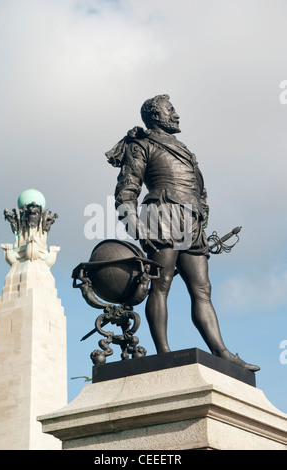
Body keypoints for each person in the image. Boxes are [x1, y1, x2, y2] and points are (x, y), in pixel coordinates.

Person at [106, 94, 259, 371]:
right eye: (171, 110)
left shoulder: (185, 150)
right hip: (162, 213)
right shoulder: (141, 144)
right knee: (161, 284)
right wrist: (131, 218)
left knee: (203, 289)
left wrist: (202, 213)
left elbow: (199, 189)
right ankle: (164, 352)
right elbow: (129, 184)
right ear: (155, 116)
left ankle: (222, 352)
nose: (176, 115)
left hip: (192, 221)